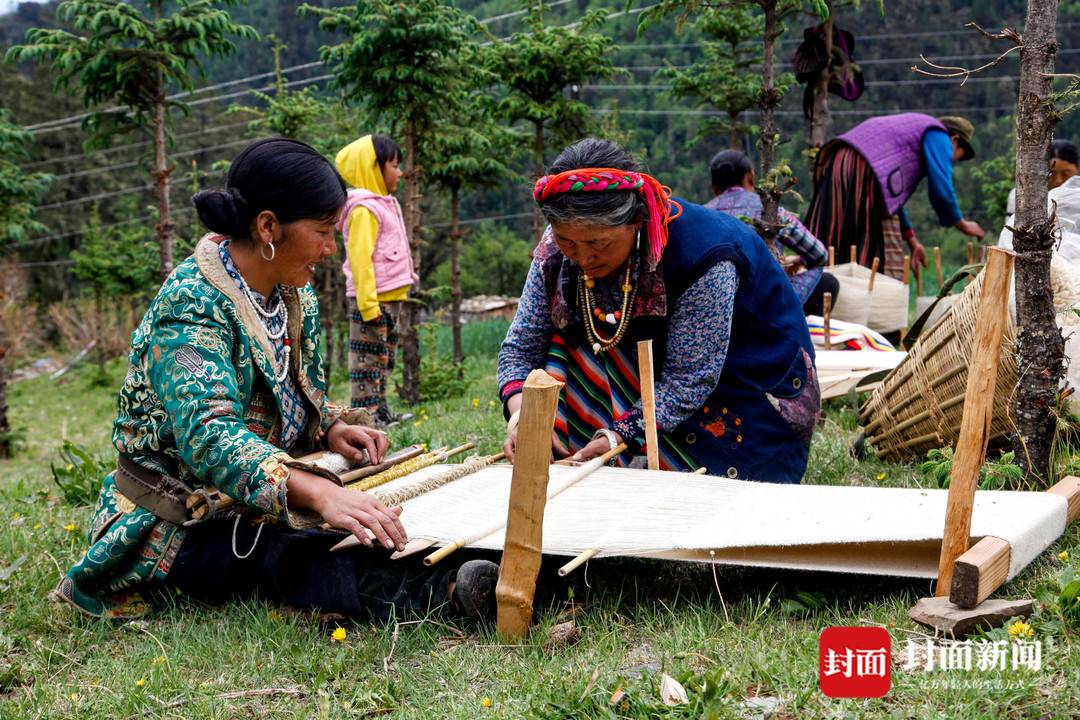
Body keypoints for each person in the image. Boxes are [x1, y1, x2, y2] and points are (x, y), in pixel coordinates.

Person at [53, 138, 496, 621]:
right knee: (281, 552)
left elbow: (295, 387)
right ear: (268, 226)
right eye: (324, 232)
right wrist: (321, 492)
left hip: (260, 494)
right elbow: (209, 438)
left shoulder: (292, 293)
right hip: (182, 511)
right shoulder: (190, 307)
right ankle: (444, 590)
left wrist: (328, 426)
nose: (332, 249)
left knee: (344, 520)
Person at [498, 138, 819, 484]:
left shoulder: (707, 255)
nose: (583, 258)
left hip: (742, 394)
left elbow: (689, 380)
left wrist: (616, 437)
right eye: (567, 241)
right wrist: (524, 421)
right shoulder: (557, 249)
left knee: (708, 502)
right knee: (563, 340)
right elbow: (520, 348)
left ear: (637, 220)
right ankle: (577, 448)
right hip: (647, 386)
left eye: (599, 243)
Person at [805, 113, 985, 280]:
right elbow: (942, 191)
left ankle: (815, 288)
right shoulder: (939, 135)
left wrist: (912, 241)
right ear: (955, 140)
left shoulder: (915, 135)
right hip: (864, 166)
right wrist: (961, 224)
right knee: (865, 251)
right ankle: (855, 301)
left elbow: (892, 201)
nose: (953, 160)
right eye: (959, 156)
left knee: (832, 235)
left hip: (838, 159)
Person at [335, 134, 416, 425]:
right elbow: (360, 260)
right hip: (373, 300)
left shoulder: (385, 203)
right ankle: (364, 418)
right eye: (394, 165)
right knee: (367, 362)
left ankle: (380, 412)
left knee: (384, 359)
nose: (400, 172)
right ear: (373, 168)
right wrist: (369, 306)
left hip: (391, 298)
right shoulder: (363, 209)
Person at [705, 149, 839, 316]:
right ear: (750, 177)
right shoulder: (770, 211)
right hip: (767, 305)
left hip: (717, 307)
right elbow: (819, 254)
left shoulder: (704, 215)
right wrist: (800, 260)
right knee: (828, 283)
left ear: (713, 186)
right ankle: (798, 337)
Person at [999, 139, 1080, 254]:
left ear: (1077, 168)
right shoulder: (1020, 197)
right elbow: (1009, 240)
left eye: (1066, 174)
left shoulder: (1077, 200)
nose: (1058, 180)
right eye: (1052, 173)